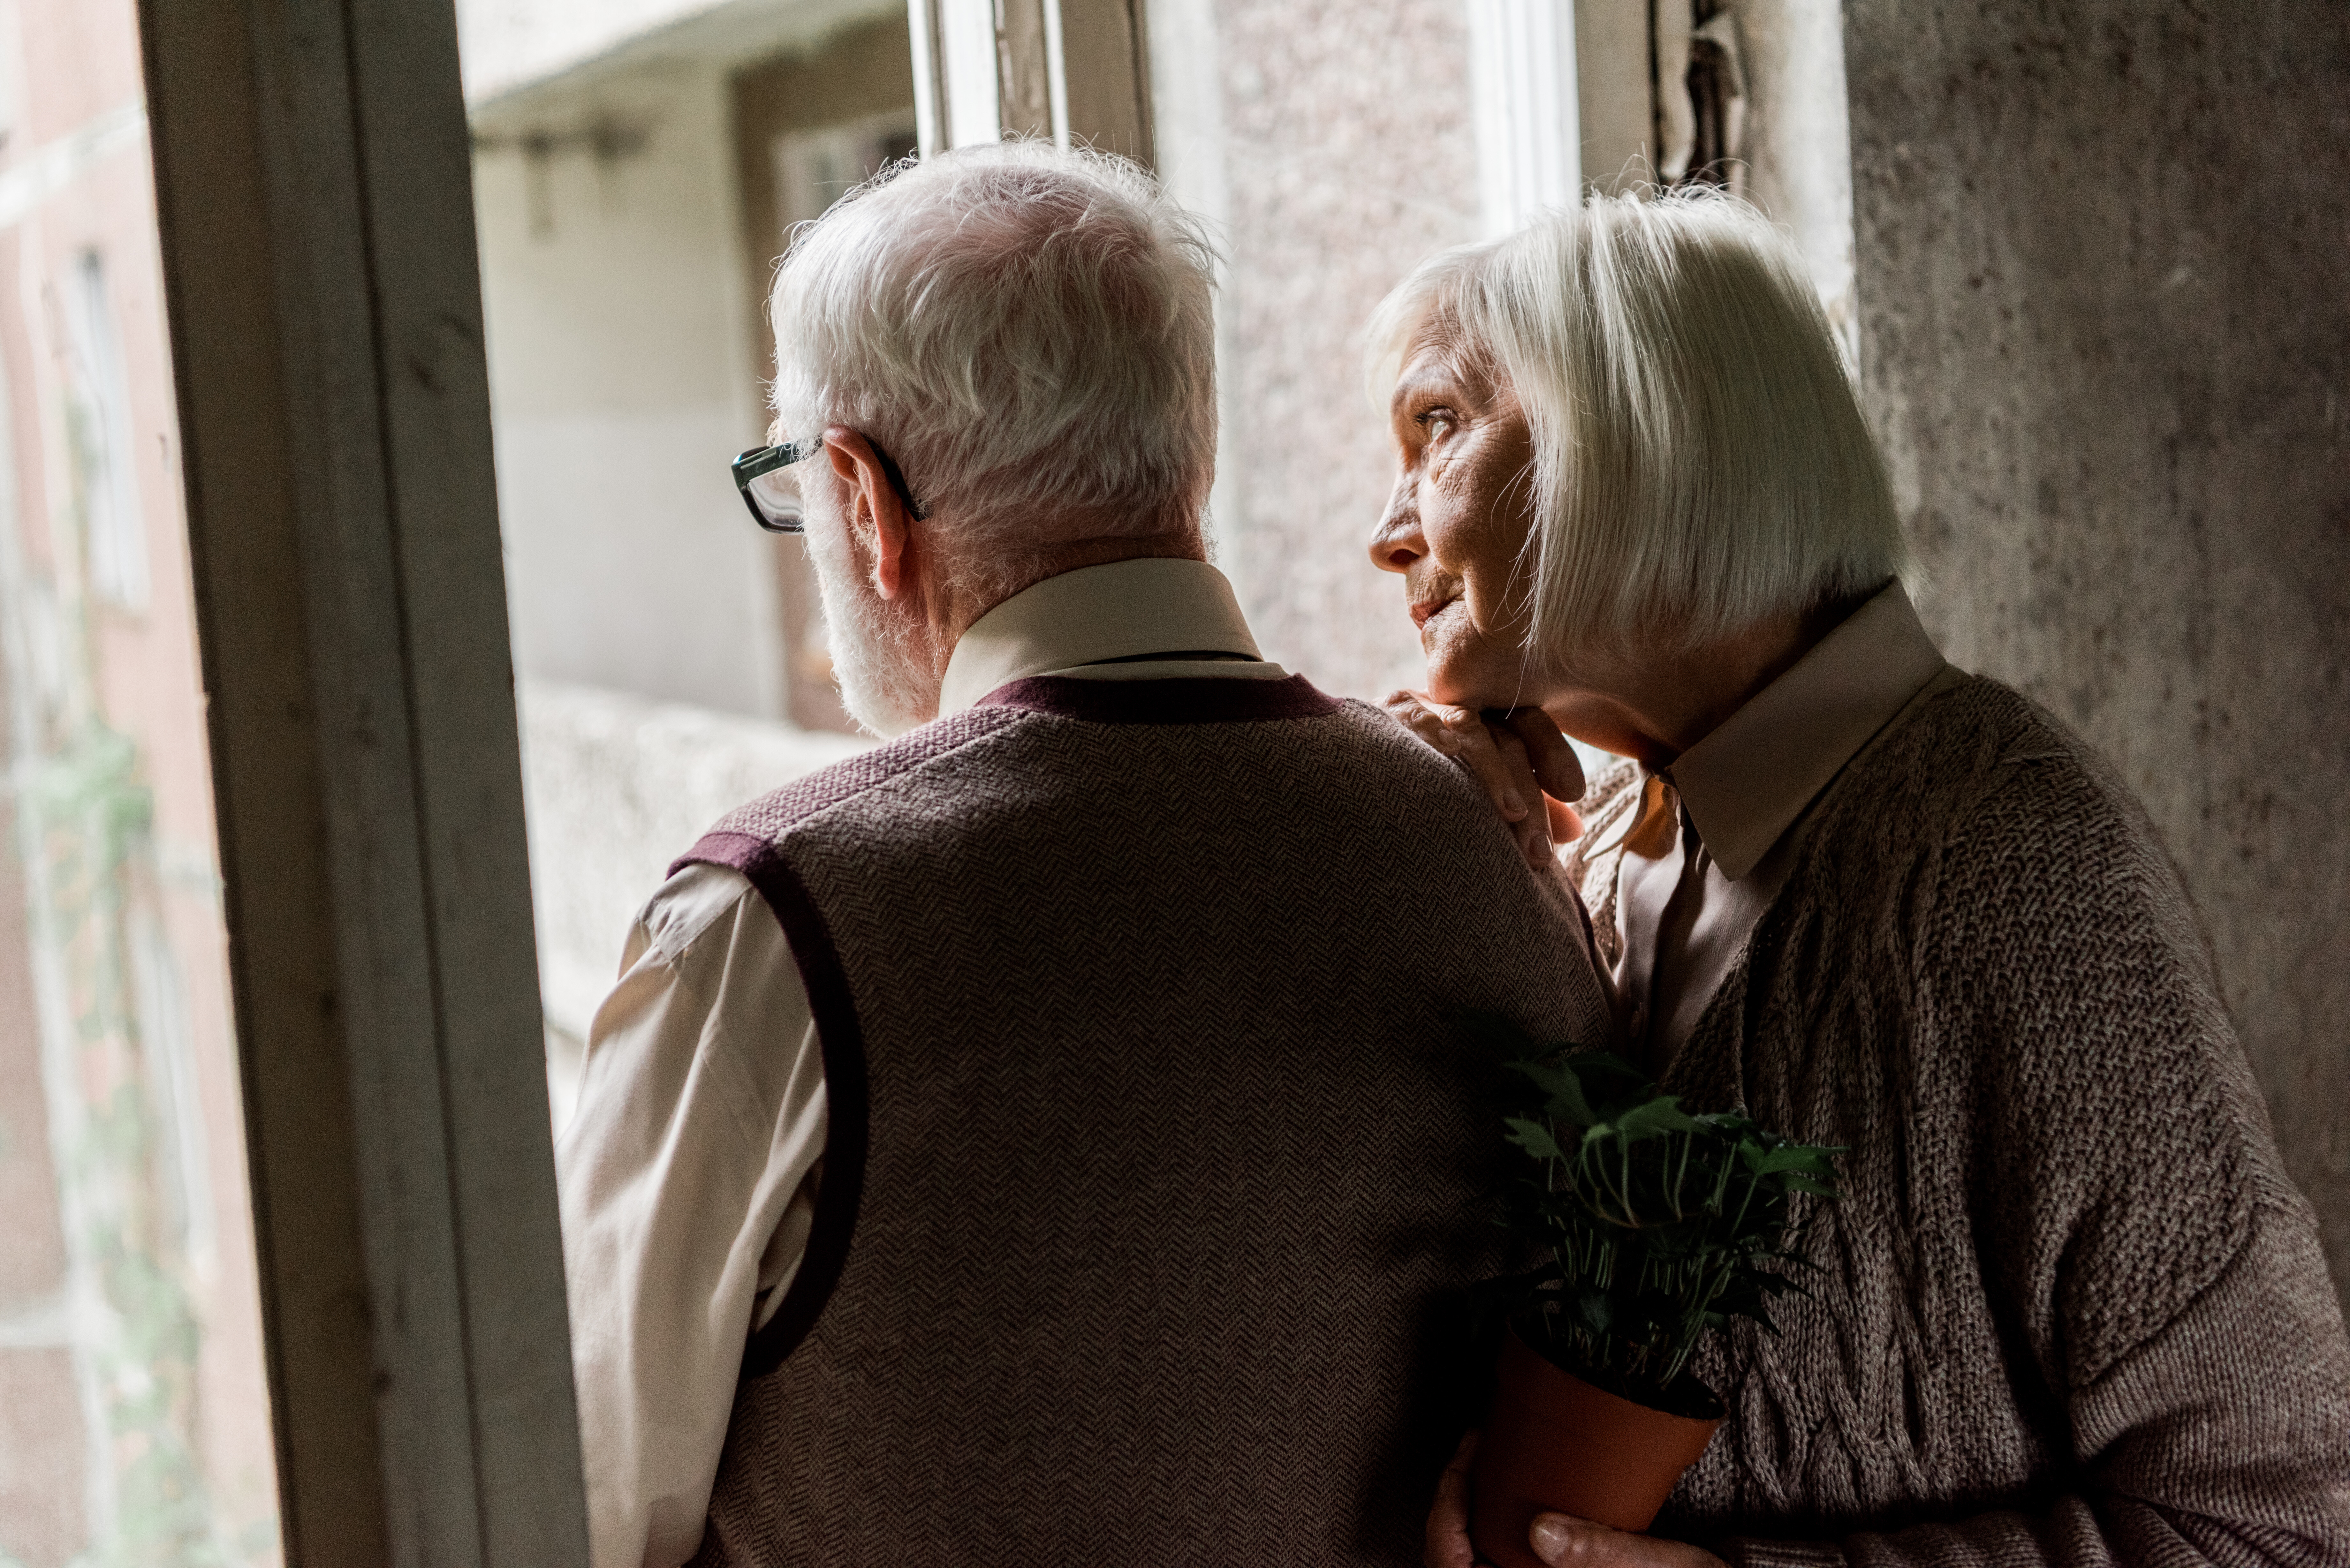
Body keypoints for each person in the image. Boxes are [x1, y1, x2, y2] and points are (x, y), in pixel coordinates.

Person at [555, 142, 1614, 1568]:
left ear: (867, 505)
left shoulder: (770, 927)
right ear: (1190, 454)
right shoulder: (1489, 840)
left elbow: (570, 1510)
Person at [1370, 188, 2350, 1567]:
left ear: (1641, 427)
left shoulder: (2008, 858)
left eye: (1438, 427)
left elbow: (2273, 1523)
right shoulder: (1602, 851)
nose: (1387, 530)